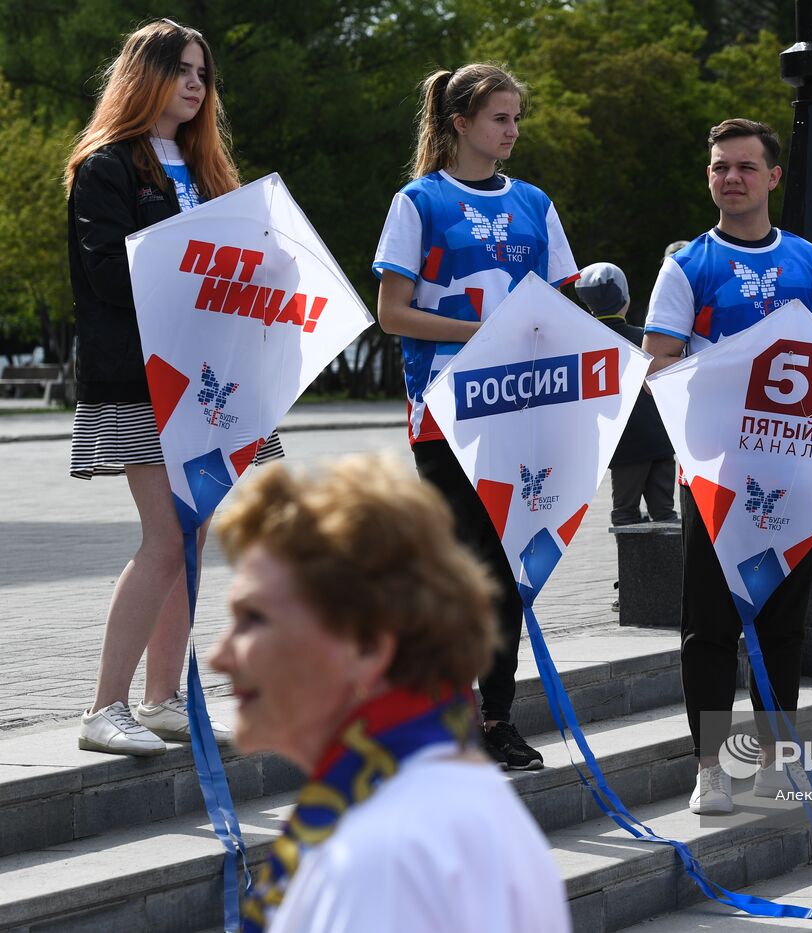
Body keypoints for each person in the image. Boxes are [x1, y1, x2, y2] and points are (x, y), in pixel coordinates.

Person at [210, 453, 569, 933]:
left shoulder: (381, 857)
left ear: (366, 648)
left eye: (254, 620)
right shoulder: (417, 798)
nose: (219, 655)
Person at [66, 19, 277, 755]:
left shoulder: (205, 167)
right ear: (144, 75)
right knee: (163, 539)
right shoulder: (106, 166)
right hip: (146, 382)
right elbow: (106, 273)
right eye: (182, 69)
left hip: (216, 383)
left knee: (188, 538)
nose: (196, 83)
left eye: (202, 72)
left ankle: (162, 700)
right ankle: (105, 707)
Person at [373, 62, 579, 770]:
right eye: (500, 118)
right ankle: (459, 713)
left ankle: (493, 716)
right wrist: (485, 333)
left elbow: (559, 308)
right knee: (470, 564)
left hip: (522, 411)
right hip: (446, 413)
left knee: (506, 566)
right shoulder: (419, 201)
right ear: (460, 123)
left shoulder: (535, 203)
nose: (512, 130)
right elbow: (392, 312)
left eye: (517, 117)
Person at [642, 118, 812, 815]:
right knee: (708, 625)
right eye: (720, 167)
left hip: (792, 476)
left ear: (772, 177)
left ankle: (774, 758)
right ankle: (710, 767)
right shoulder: (688, 264)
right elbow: (658, 364)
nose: (731, 177)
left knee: (783, 625)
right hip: (713, 476)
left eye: (745, 167)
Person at [574, 261, 676, 526]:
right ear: (625, 299)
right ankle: (670, 567)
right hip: (660, 439)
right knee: (666, 514)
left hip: (623, 445)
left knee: (624, 512)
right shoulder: (646, 340)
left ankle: (632, 567)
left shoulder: (583, 346)